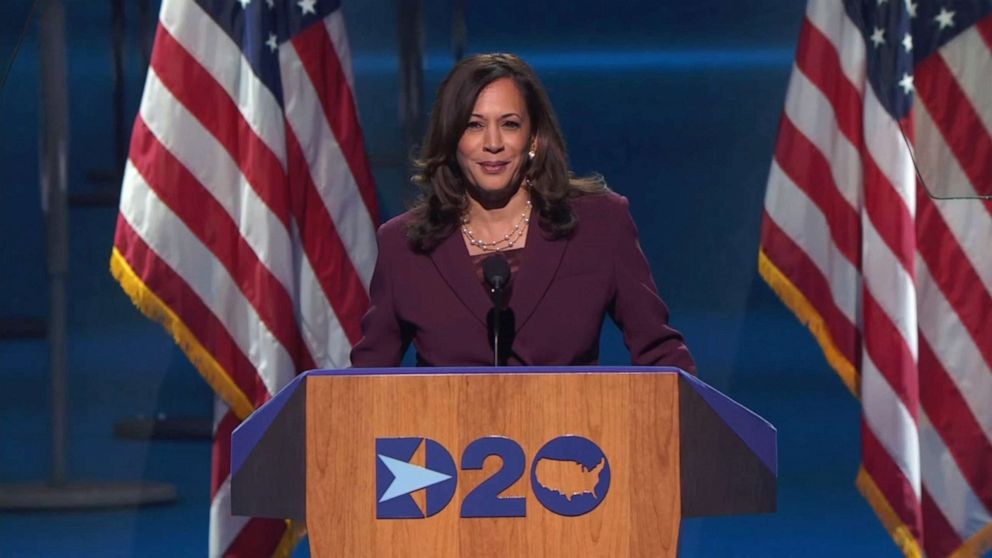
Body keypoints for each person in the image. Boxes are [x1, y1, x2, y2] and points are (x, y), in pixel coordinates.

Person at [350, 53, 695, 373]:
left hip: (571, 436)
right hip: (448, 437)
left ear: (533, 139)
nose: (493, 142)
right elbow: (367, 379)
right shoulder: (405, 245)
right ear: (451, 138)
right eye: (474, 125)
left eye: (510, 124)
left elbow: (660, 354)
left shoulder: (600, 224)